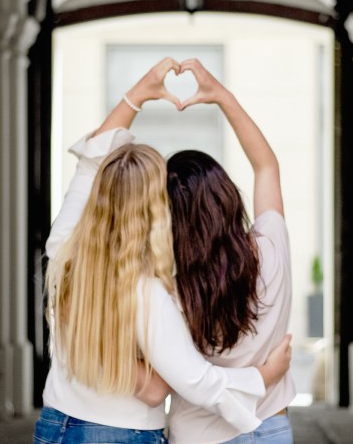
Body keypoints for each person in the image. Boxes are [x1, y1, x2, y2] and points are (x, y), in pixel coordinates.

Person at [34, 58, 292, 444]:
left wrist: (136, 95)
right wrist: (265, 376)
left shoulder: (64, 247)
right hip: (130, 432)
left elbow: (90, 164)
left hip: (57, 423)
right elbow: (174, 386)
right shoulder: (152, 293)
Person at [166, 59, 295, 443]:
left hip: (198, 434)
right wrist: (223, 97)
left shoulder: (173, 290)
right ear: (227, 197)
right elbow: (266, 166)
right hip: (269, 426)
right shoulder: (270, 246)